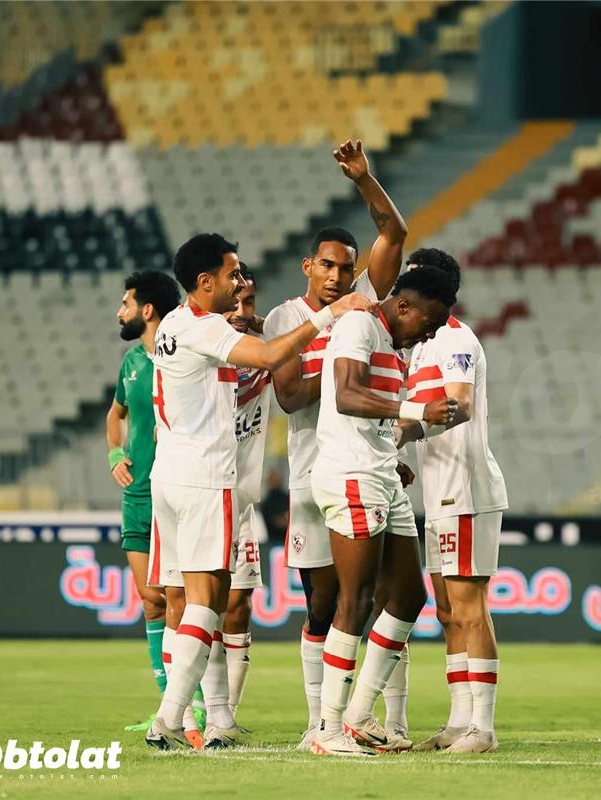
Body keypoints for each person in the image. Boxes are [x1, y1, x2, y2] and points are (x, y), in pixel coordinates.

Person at [144, 232, 371, 750]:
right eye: (231, 275)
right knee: (207, 601)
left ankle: (197, 717)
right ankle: (170, 717)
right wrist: (329, 317)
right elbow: (270, 356)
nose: (238, 282)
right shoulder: (202, 328)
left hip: (169, 476)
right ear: (205, 283)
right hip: (206, 477)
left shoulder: (174, 326)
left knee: (195, 598)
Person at [262, 140, 409, 750]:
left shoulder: (366, 305)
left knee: (379, 594)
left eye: (346, 267)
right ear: (307, 266)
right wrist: (339, 362)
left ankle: (367, 717)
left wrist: (365, 179)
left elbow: (394, 232)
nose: (338, 277)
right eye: (327, 265)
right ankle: (319, 719)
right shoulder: (284, 320)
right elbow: (292, 397)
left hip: (365, 465)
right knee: (324, 598)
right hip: (311, 471)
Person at [308, 265, 459, 757]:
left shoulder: (393, 344)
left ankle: (358, 714)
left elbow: (368, 416)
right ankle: (328, 729)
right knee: (355, 599)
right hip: (350, 475)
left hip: (380, 474)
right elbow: (348, 396)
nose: (431, 334)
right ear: (404, 306)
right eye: (429, 322)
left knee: (408, 596)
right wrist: (416, 412)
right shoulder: (358, 325)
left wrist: (392, 455)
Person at [397, 248, 508, 754]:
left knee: (469, 607)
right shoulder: (419, 345)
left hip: (465, 488)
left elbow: (460, 406)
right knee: (446, 610)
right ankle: (459, 720)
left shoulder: (456, 339)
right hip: (439, 490)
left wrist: (401, 427)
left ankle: (482, 728)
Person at [106, 269, 182, 732]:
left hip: (175, 490)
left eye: (126, 303)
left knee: (176, 597)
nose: (120, 311)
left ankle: (193, 702)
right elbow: (115, 414)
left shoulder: (182, 359)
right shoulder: (132, 362)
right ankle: (168, 706)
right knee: (150, 601)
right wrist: (116, 452)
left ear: (147, 309)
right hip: (137, 495)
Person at [221, 263, 269, 724]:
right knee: (191, 603)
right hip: (198, 493)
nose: (239, 310)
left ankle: (226, 715)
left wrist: (266, 325)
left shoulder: (263, 354)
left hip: (240, 503)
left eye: (248, 302)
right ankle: (190, 711)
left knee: (237, 605)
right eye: (233, 301)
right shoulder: (194, 348)